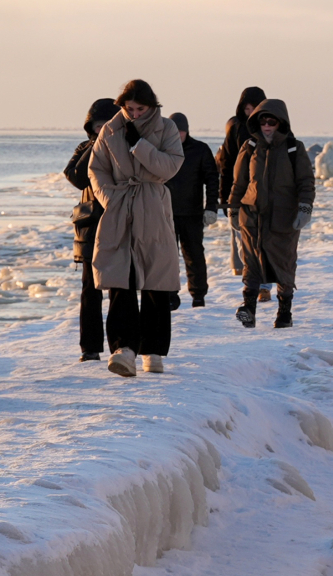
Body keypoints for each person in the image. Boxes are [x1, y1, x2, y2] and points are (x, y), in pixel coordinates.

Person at [88, 79, 185, 377]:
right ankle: (123, 349)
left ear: (151, 105)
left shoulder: (166, 128)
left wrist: (139, 145)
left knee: (156, 280)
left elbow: (170, 167)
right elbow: (96, 168)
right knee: (120, 277)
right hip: (120, 207)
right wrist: (109, 197)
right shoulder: (110, 130)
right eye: (128, 108)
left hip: (153, 205)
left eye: (139, 108)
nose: (134, 114)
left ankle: (153, 351)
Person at [229, 99, 315, 329]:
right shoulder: (249, 147)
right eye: (263, 121)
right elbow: (239, 183)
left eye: (271, 122)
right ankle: (248, 309)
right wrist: (234, 209)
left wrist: (305, 208)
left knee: (284, 264)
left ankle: (284, 313)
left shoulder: (294, 148)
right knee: (251, 263)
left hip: (283, 219)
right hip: (253, 217)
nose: (267, 126)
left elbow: (306, 182)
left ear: (281, 123)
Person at [65, 98, 120, 362]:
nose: (102, 130)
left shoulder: (125, 147)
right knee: (90, 289)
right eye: (98, 126)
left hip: (120, 223)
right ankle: (90, 348)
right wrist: (95, 146)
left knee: (121, 288)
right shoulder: (85, 148)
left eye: (107, 125)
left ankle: (121, 345)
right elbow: (75, 176)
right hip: (91, 226)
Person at [216, 87, 272, 302]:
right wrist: (225, 199)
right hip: (240, 193)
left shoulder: (272, 127)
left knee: (264, 240)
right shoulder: (237, 129)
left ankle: (264, 285)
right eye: (246, 109)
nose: (250, 113)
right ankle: (252, 281)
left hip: (267, 193)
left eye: (254, 108)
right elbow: (226, 164)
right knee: (244, 240)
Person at [164, 112, 220, 310]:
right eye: (174, 132)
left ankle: (198, 296)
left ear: (187, 131)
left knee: (194, 255)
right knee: (168, 257)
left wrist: (211, 207)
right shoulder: (161, 150)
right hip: (166, 215)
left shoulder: (200, 150)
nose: (178, 135)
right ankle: (170, 295)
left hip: (192, 214)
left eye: (181, 131)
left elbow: (212, 179)